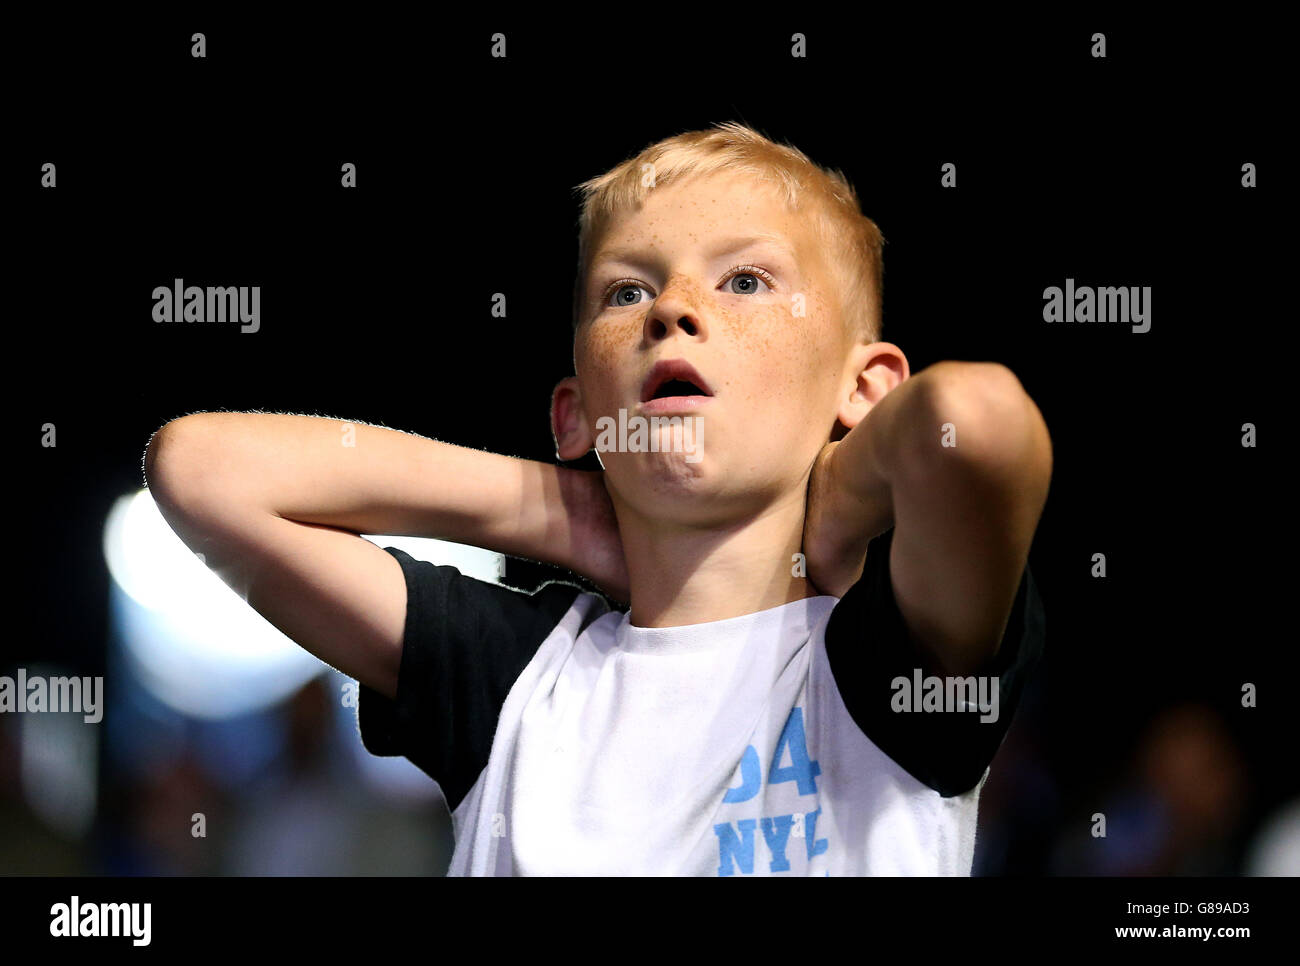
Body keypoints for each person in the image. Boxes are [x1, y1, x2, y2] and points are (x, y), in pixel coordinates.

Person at [143, 122, 1052, 875]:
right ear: (574, 412)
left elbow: (974, 425)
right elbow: (200, 470)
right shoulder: (521, 678)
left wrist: (837, 504)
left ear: (865, 391)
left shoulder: (881, 666)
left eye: (745, 280)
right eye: (627, 290)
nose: (674, 308)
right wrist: (571, 515)